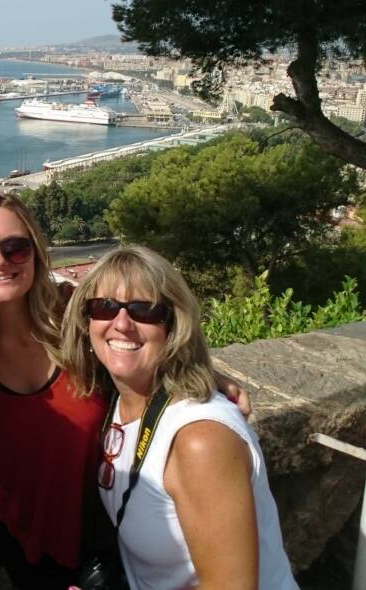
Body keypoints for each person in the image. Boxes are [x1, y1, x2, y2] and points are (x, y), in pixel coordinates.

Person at [0, 192, 251, 590]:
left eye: (14, 248)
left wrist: (202, 375)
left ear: (36, 253)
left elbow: (141, 347)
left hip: (114, 535)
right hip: (28, 542)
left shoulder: (76, 317)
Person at [60, 245, 297, 589]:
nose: (122, 323)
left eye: (145, 311)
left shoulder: (200, 440)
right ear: (87, 321)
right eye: (105, 307)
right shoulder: (121, 398)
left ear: (173, 324)